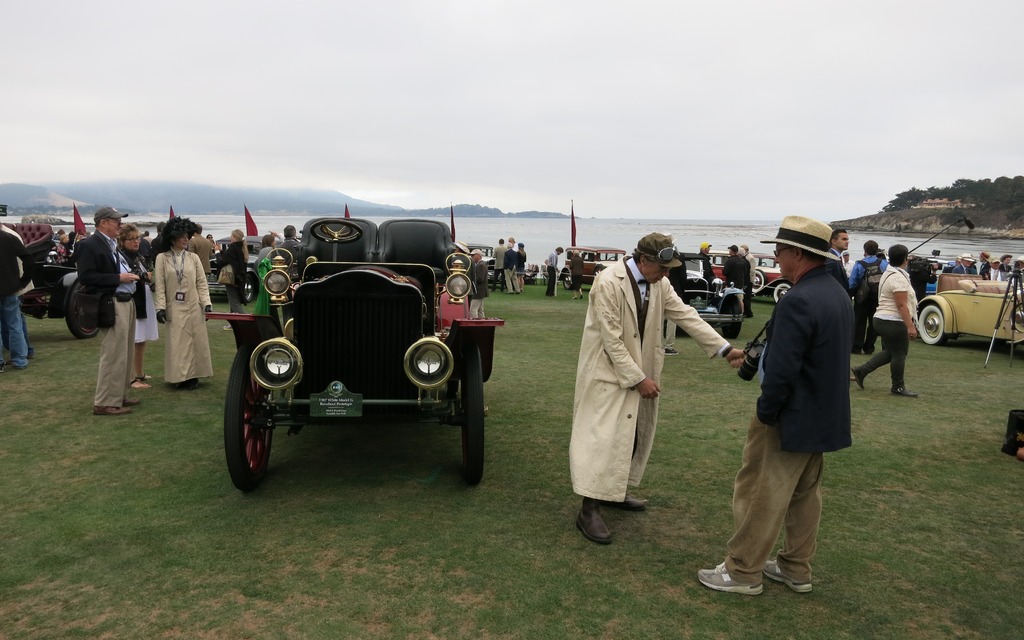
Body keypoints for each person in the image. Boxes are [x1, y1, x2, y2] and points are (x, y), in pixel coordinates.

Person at [698, 215, 853, 596]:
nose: (777, 257)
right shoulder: (835, 293)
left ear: (797, 253)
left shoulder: (798, 300)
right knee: (804, 496)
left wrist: (767, 411)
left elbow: (783, 369)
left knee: (760, 492)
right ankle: (795, 567)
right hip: (823, 413)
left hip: (791, 414)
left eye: (780, 250)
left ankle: (743, 571)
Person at [569, 233, 745, 545]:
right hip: (607, 374)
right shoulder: (608, 282)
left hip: (641, 371)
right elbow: (611, 340)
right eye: (662, 268)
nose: (667, 274)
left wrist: (723, 348)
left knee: (633, 433)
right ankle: (589, 508)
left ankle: (615, 491)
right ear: (644, 260)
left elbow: (685, 315)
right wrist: (637, 378)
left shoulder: (659, 284)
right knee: (602, 438)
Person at [76, 207, 142, 415]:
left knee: (125, 352)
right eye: (116, 221)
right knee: (113, 353)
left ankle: (119, 395)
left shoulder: (111, 244)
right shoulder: (89, 244)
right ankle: (104, 401)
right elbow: (86, 277)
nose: (119, 225)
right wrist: (118, 279)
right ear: (103, 222)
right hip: (111, 302)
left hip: (125, 301)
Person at [851, 244, 920, 398]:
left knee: (890, 352)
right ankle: (898, 386)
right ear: (906, 259)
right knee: (900, 354)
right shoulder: (898, 278)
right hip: (892, 320)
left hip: (881, 318)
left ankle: (861, 371)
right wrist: (910, 326)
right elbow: (901, 305)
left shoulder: (888, 273)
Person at [153, 217, 213, 390]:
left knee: (196, 340)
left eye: (187, 236)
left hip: (194, 305)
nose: (186, 239)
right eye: (182, 236)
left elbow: (201, 282)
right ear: (173, 238)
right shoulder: (162, 258)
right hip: (175, 305)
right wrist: (160, 308)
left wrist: (206, 303)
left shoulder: (193, 258)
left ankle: (194, 376)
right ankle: (180, 376)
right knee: (177, 342)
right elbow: (160, 285)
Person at [118, 224, 158, 389]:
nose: (136, 242)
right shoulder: (123, 257)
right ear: (123, 241)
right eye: (131, 239)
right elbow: (132, 276)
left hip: (144, 297)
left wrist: (147, 276)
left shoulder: (138, 256)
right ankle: (132, 377)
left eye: (137, 238)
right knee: (134, 338)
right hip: (134, 299)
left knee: (142, 340)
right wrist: (143, 276)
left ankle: (139, 373)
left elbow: (145, 275)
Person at [0, 223, 34, 371]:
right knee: (15, 324)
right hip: (10, 287)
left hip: (9, 286)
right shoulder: (9, 238)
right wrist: (24, 280)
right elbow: (28, 259)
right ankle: (20, 359)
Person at [848, 240, 889, 355]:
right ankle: (869, 347)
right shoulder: (884, 263)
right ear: (877, 250)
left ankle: (856, 347)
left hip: (862, 296)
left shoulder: (859, 264)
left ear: (864, 250)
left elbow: (852, 282)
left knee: (859, 322)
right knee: (874, 323)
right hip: (878, 296)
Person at [219, 229, 248, 321]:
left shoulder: (232, 248)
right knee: (233, 300)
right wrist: (221, 251)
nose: (230, 238)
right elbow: (231, 259)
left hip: (232, 278)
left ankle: (245, 320)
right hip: (240, 278)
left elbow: (222, 261)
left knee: (234, 302)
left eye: (231, 236)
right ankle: (233, 322)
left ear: (235, 237)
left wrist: (216, 253)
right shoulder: (241, 248)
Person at [825, 228, 850, 292]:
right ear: (834, 241)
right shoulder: (831, 259)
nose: (847, 242)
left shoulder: (837, 257)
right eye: (844, 239)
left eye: (847, 239)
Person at [468, 249, 488, 318]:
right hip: (481, 290)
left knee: (473, 309)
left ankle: (475, 324)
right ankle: (482, 324)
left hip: (479, 290)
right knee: (480, 310)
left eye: (473, 255)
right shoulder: (481, 264)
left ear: (478, 255)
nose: (472, 257)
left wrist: (472, 280)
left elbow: (480, 278)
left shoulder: (481, 265)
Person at [739, 244, 756, 318]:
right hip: (746, 279)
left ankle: (748, 312)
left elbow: (752, 270)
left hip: (748, 280)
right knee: (745, 296)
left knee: (747, 297)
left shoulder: (750, 258)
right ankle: (746, 311)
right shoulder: (746, 257)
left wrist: (751, 280)